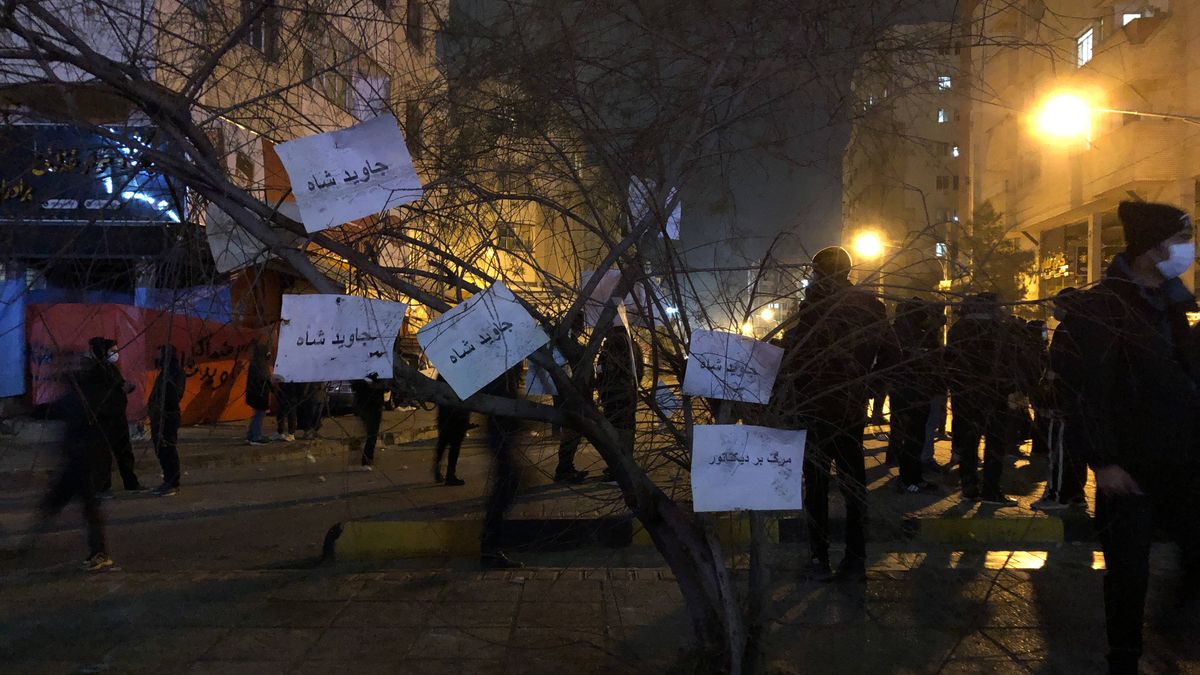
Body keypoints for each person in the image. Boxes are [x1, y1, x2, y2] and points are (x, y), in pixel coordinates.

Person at [1064, 201, 1200, 674]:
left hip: (1183, 458)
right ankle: (1125, 657)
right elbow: (1083, 392)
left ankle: (1173, 630)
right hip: (1129, 465)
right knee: (1128, 571)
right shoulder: (1101, 306)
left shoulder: (1177, 300)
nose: (1189, 249)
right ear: (1153, 247)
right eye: (1183, 238)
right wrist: (1102, 461)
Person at [773, 246, 898, 582]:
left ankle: (819, 558)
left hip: (815, 407)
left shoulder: (815, 305)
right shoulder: (871, 306)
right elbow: (891, 355)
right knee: (853, 485)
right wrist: (869, 388)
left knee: (815, 485)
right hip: (849, 408)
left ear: (818, 272)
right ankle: (855, 559)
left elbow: (799, 357)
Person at [26, 383, 113, 571]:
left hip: (84, 464)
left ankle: (100, 553)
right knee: (58, 503)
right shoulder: (87, 399)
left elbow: (52, 409)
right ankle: (29, 542)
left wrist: (26, 411)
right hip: (79, 463)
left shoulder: (83, 400)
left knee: (86, 509)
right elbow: (52, 410)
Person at [945, 293, 1021, 505]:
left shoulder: (958, 330)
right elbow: (1010, 362)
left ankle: (969, 485)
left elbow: (949, 361)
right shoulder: (1000, 331)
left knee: (968, 441)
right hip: (994, 394)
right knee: (994, 443)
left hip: (965, 395)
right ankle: (991, 490)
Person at [1032, 287, 1089, 510]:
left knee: (1061, 449)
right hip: (1074, 400)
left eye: (1058, 306)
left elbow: (1061, 367)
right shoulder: (1083, 328)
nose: (1055, 310)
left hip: (1065, 400)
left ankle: (1060, 495)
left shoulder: (1069, 330)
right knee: (1073, 451)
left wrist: (1052, 389)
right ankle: (1073, 494)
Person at [78, 337, 143, 496]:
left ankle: (131, 483)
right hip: (103, 418)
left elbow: (119, 385)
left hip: (117, 416)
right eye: (112, 351)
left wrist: (125, 387)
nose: (115, 354)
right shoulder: (93, 371)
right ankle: (103, 487)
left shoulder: (110, 368)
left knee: (124, 452)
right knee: (102, 454)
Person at [890, 298, 942, 494]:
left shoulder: (904, 334)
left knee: (913, 438)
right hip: (912, 393)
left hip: (911, 393)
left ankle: (914, 477)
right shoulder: (910, 335)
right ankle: (908, 479)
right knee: (912, 439)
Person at [480, 365, 524, 569]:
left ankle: (491, 544)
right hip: (500, 436)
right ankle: (490, 546)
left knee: (507, 487)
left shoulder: (501, 372)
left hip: (502, 436)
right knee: (505, 489)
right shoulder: (499, 374)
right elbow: (502, 404)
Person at [594, 325, 643, 483]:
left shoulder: (612, 346)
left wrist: (601, 389)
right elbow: (639, 371)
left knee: (615, 432)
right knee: (627, 429)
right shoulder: (634, 346)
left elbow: (603, 372)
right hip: (628, 394)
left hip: (614, 395)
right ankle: (626, 467)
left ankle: (618, 471)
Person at [147, 344, 186, 497]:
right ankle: (167, 480)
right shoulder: (165, 372)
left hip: (168, 416)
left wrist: (168, 387)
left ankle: (173, 483)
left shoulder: (175, 372)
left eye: (160, 355)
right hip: (159, 416)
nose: (157, 358)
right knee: (161, 450)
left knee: (168, 449)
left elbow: (176, 394)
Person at [433, 374, 469, 486]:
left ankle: (437, 469)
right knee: (455, 445)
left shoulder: (444, 373)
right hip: (459, 413)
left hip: (445, 413)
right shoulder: (465, 373)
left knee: (443, 442)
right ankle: (450, 474)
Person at [352, 373, 388, 470]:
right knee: (371, 433)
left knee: (371, 433)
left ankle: (367, 458)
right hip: (365, 404)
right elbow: (355, 386)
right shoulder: (362, 371)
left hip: (373, 405)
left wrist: (375, 385)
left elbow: (386, 386)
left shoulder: (379, 371)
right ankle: (366, 459)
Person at [245, 343, 272, 445]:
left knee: (257, 415)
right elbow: (265, 379)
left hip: (254, 394)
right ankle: (256, 436)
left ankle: (251, 435)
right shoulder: (261, 365)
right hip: (259, 394)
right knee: (259, 415)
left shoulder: (255, 363)